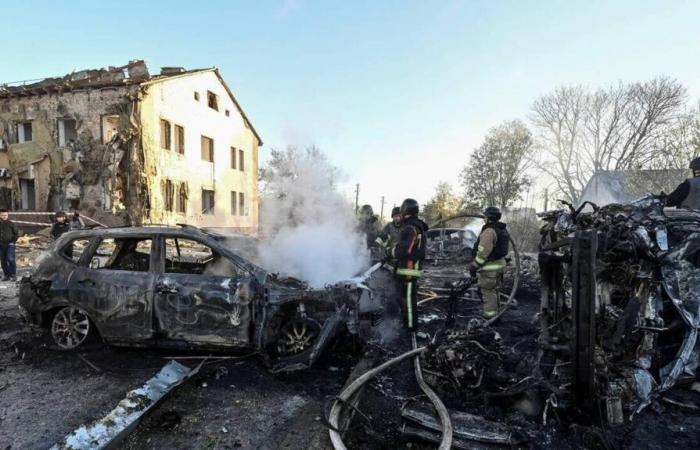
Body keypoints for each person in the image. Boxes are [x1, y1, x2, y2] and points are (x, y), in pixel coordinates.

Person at [391, 198, 428, 331]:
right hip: (412, 270)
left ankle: (411, 328)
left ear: (405, 210)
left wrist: (391, 252)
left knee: (408, 302)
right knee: (407, 300)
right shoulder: (418, 226)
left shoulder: (410, 227)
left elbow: (404, 249)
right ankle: (407, 323)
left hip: (408, 271)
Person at [469, 206, 509, 319]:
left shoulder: (489, 231)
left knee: (487, 292)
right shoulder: (501, 229)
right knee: (494, 291)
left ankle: (490, 318)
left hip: (490, 269)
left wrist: (474, 265)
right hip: (499, 266)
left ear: (489, 217)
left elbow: (483, 253)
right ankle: (497, 314)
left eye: (485, 216)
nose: (484, 219)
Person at [0, 209, 19, 281]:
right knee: (3, 260)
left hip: (10, 244)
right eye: (2, 215)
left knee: (10, 258)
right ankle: (6, 275)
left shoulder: (11, 224)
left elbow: (16, 234)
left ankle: (13, 274)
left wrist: (13, 242)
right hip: (1, 245)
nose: (4, 216)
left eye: (5, 215)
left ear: (8, 215)